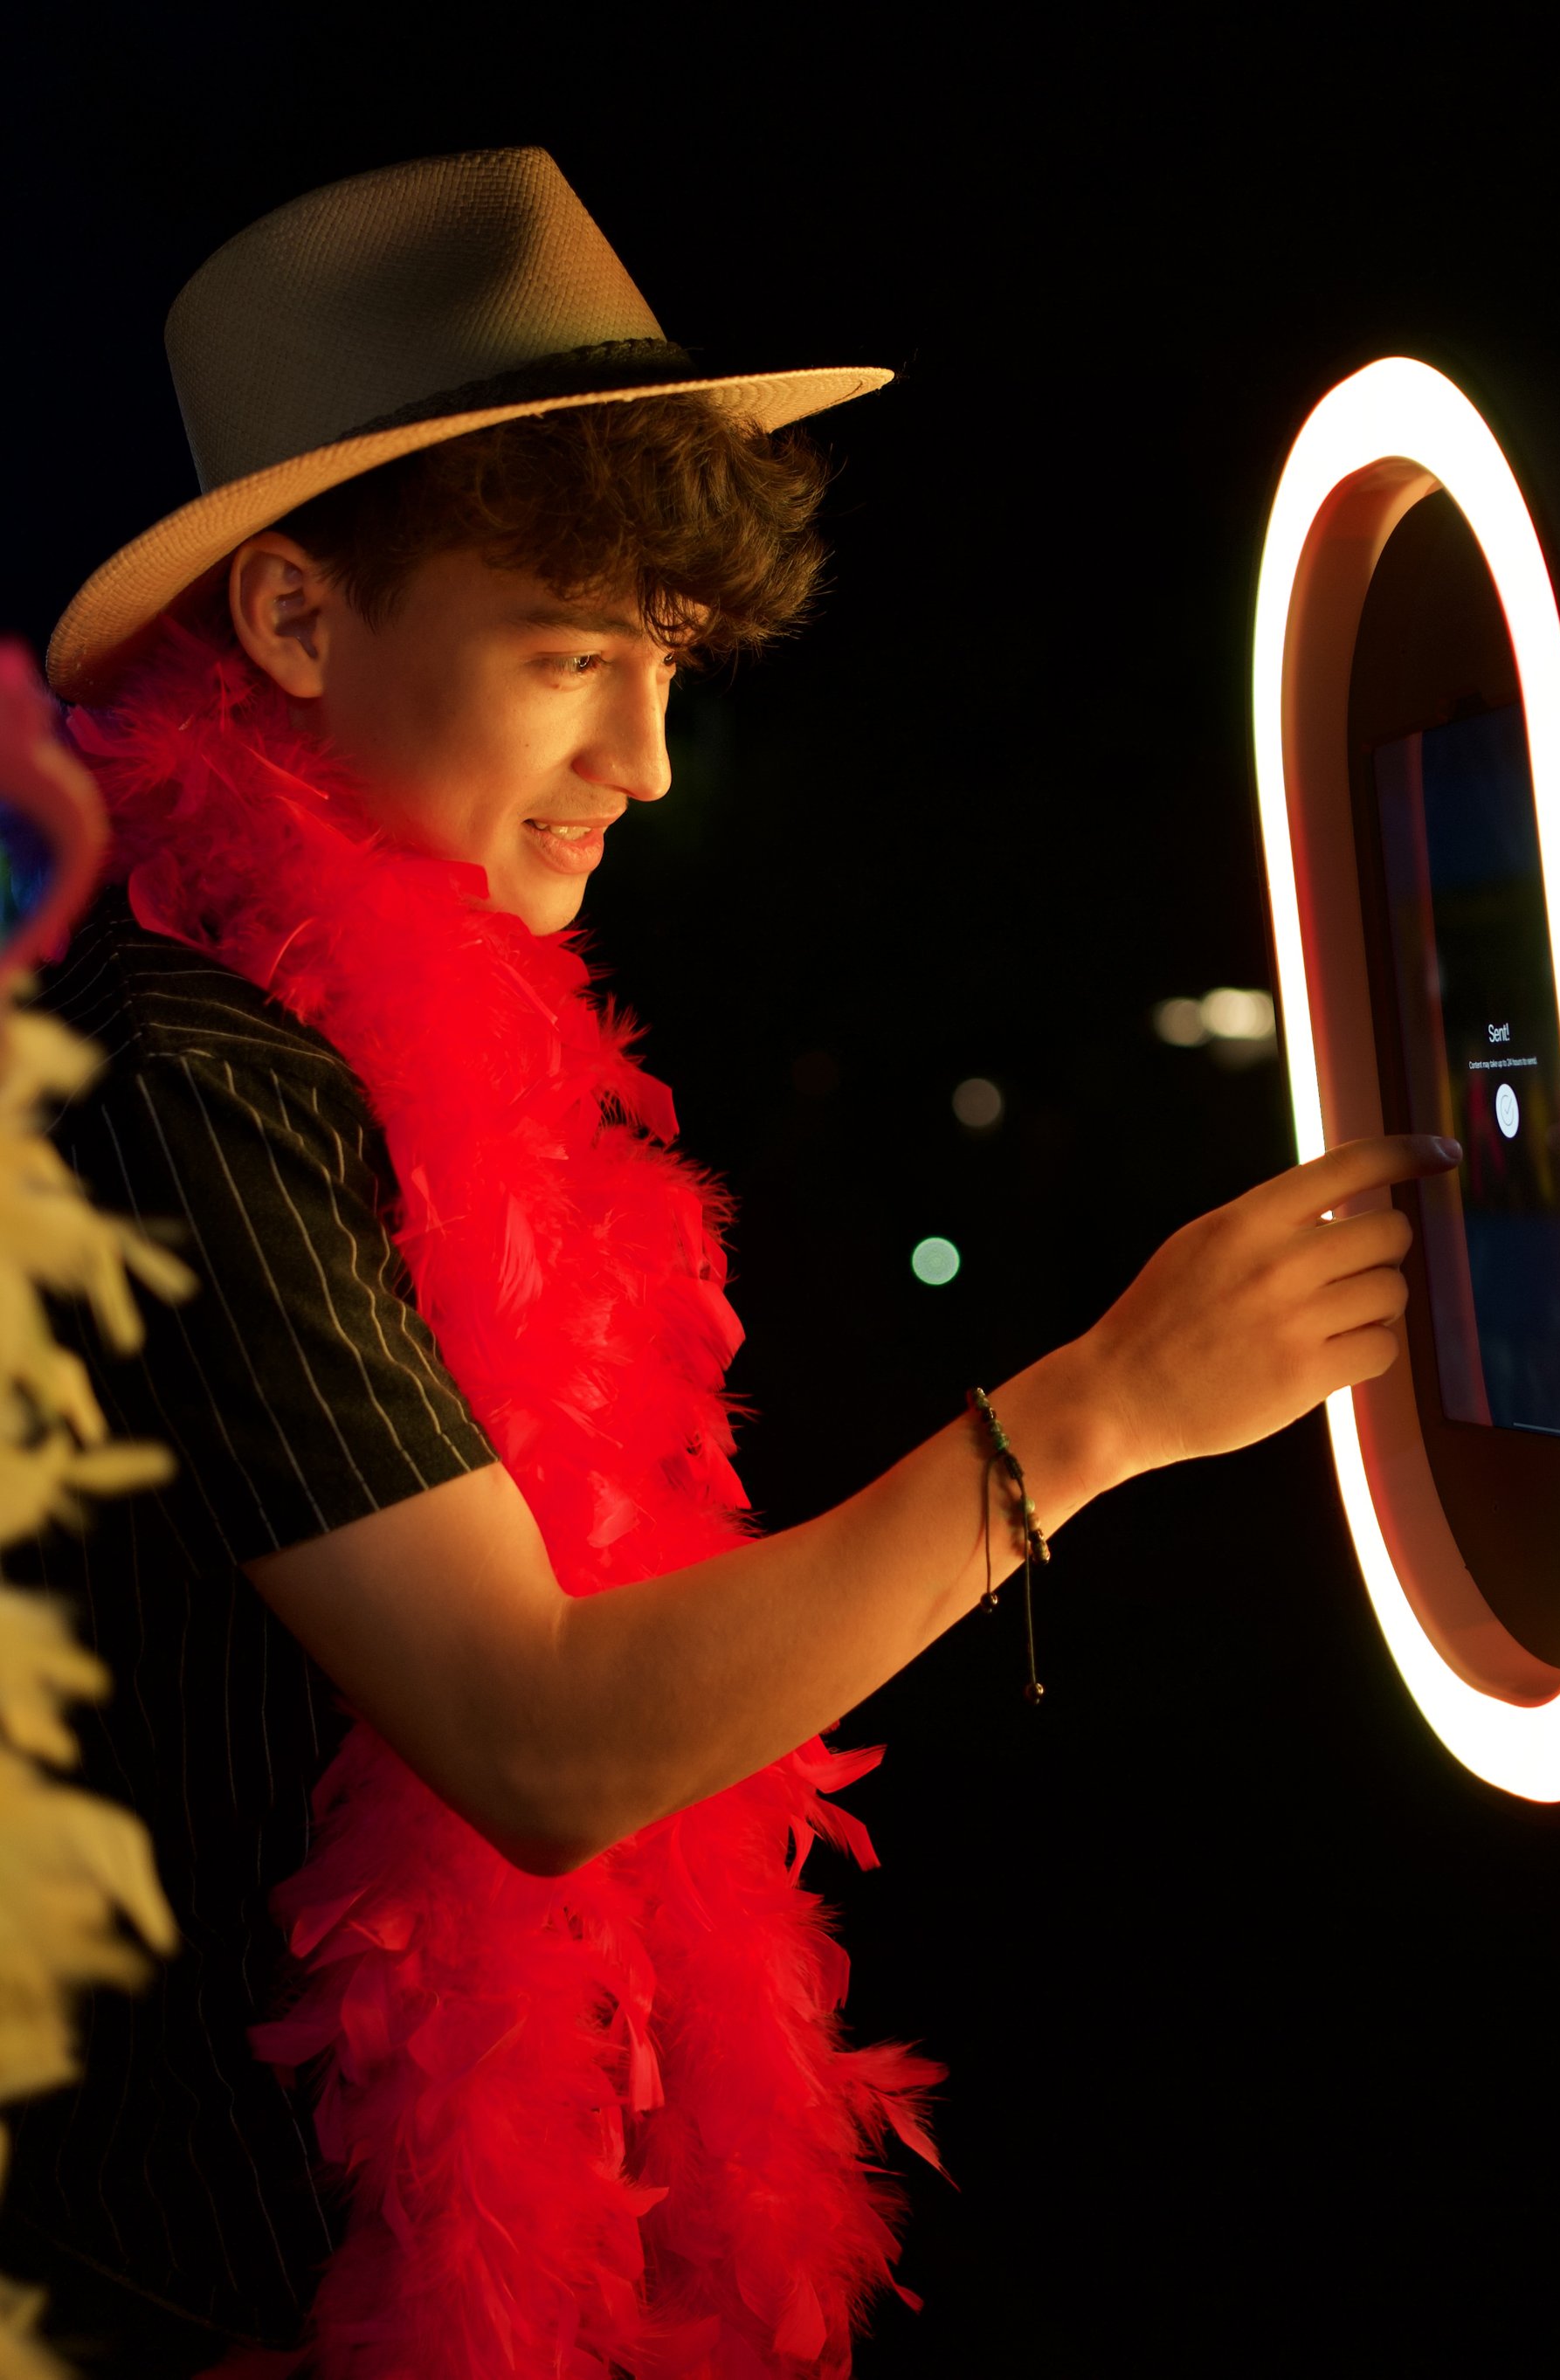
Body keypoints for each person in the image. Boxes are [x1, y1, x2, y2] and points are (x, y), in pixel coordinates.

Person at [0, 148, 1449, 2378]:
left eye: (664, 662)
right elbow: (536, 1734)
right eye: (571, 654)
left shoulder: (380, 1047)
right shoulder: (184, 1073)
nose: (648, 760)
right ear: (294, 620)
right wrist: (1104, 1411)